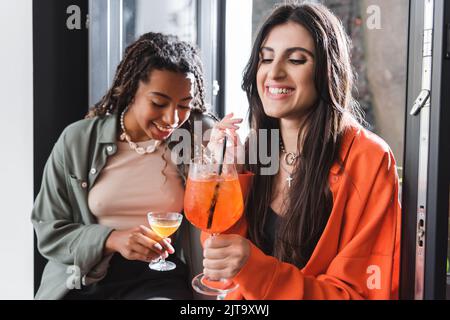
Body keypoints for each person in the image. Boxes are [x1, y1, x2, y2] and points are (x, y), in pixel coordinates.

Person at [201, 3, 401, 300]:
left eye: (296, 60)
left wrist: (256, 269)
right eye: (265, 59)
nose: (274, 73)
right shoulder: (255, 150)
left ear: (327, 71)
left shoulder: (369, 160)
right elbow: (221, 266)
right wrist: (226, 177)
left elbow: (360, 294)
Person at [31, 32, 217, 300]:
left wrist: (224, 146)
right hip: (84, 278)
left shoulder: (196, 138)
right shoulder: (78, 140)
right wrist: (111, 239)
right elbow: (48, 229)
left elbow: (228, 194)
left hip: (159, 277)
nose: (172, 118)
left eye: (184, 105)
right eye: (158, 103)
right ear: (131, 91)